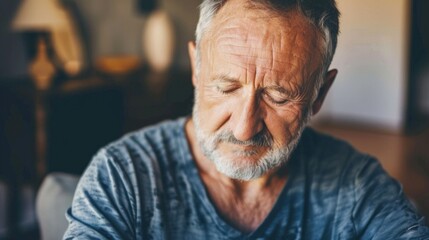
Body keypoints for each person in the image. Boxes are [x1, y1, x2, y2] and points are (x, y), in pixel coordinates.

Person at [64, 0, 429, 239]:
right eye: (226, 88)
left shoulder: (357, 185)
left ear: (319, 94)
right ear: (196, 67)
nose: (243, 128)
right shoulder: (121, 177)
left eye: (278, 96)